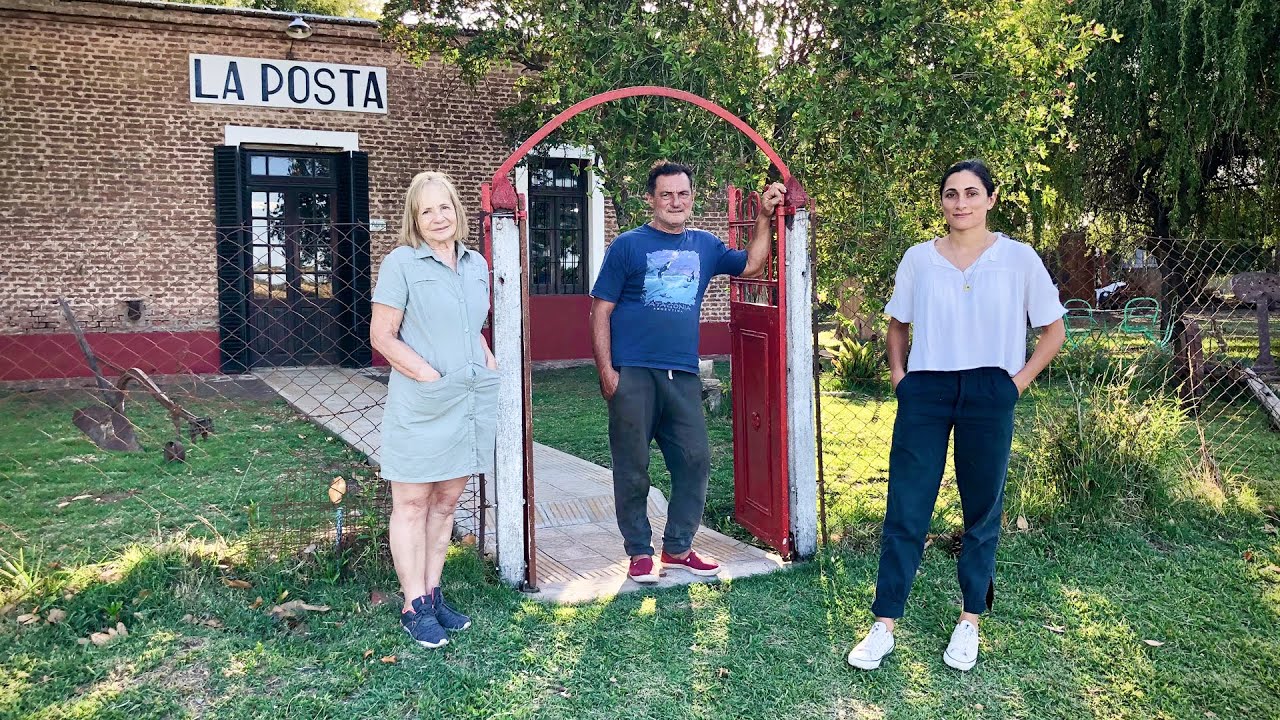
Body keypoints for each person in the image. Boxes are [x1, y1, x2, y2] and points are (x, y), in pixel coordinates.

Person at [846, 159, 1067, 672]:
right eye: (951, 194)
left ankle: (969, 622)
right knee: (907, 502)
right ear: (941, 202)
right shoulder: (920, 260)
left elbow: (1052, 330)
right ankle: (884, 625)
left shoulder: (1019, 259)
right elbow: (897, 325)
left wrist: (1015, 385)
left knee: (982, 509)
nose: (960, 203)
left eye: (971, 193)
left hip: (992, 388)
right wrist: (901, 377)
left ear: (990, 199)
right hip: (927, 388)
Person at [589, 160, 787, 584]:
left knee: (696, 459)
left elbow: (751, 265)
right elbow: (600, 310)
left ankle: (678, 548)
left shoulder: (705, 245)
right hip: (635, 371)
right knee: (632, 466)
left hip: (683, 372)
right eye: (666, 194)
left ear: (691, 198)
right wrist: (607, 370)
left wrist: (765, 217)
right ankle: (639, 552)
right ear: (652, 199)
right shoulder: (628, 245)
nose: (675, 202)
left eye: (682, 194)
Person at [370, 171, 499, 649]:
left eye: (444, 206)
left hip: (467, 400)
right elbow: (382, 336)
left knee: (445, 504)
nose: (438, 217)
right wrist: (428, 376)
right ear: (415, 219)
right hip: (423, 403)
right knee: (411, 503)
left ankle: (433, 593)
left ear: (457, 210)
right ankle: (412, 605)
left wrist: (487, 357)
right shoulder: (401, 263)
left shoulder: (476, 264)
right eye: (427, 210)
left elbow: (472, 324)